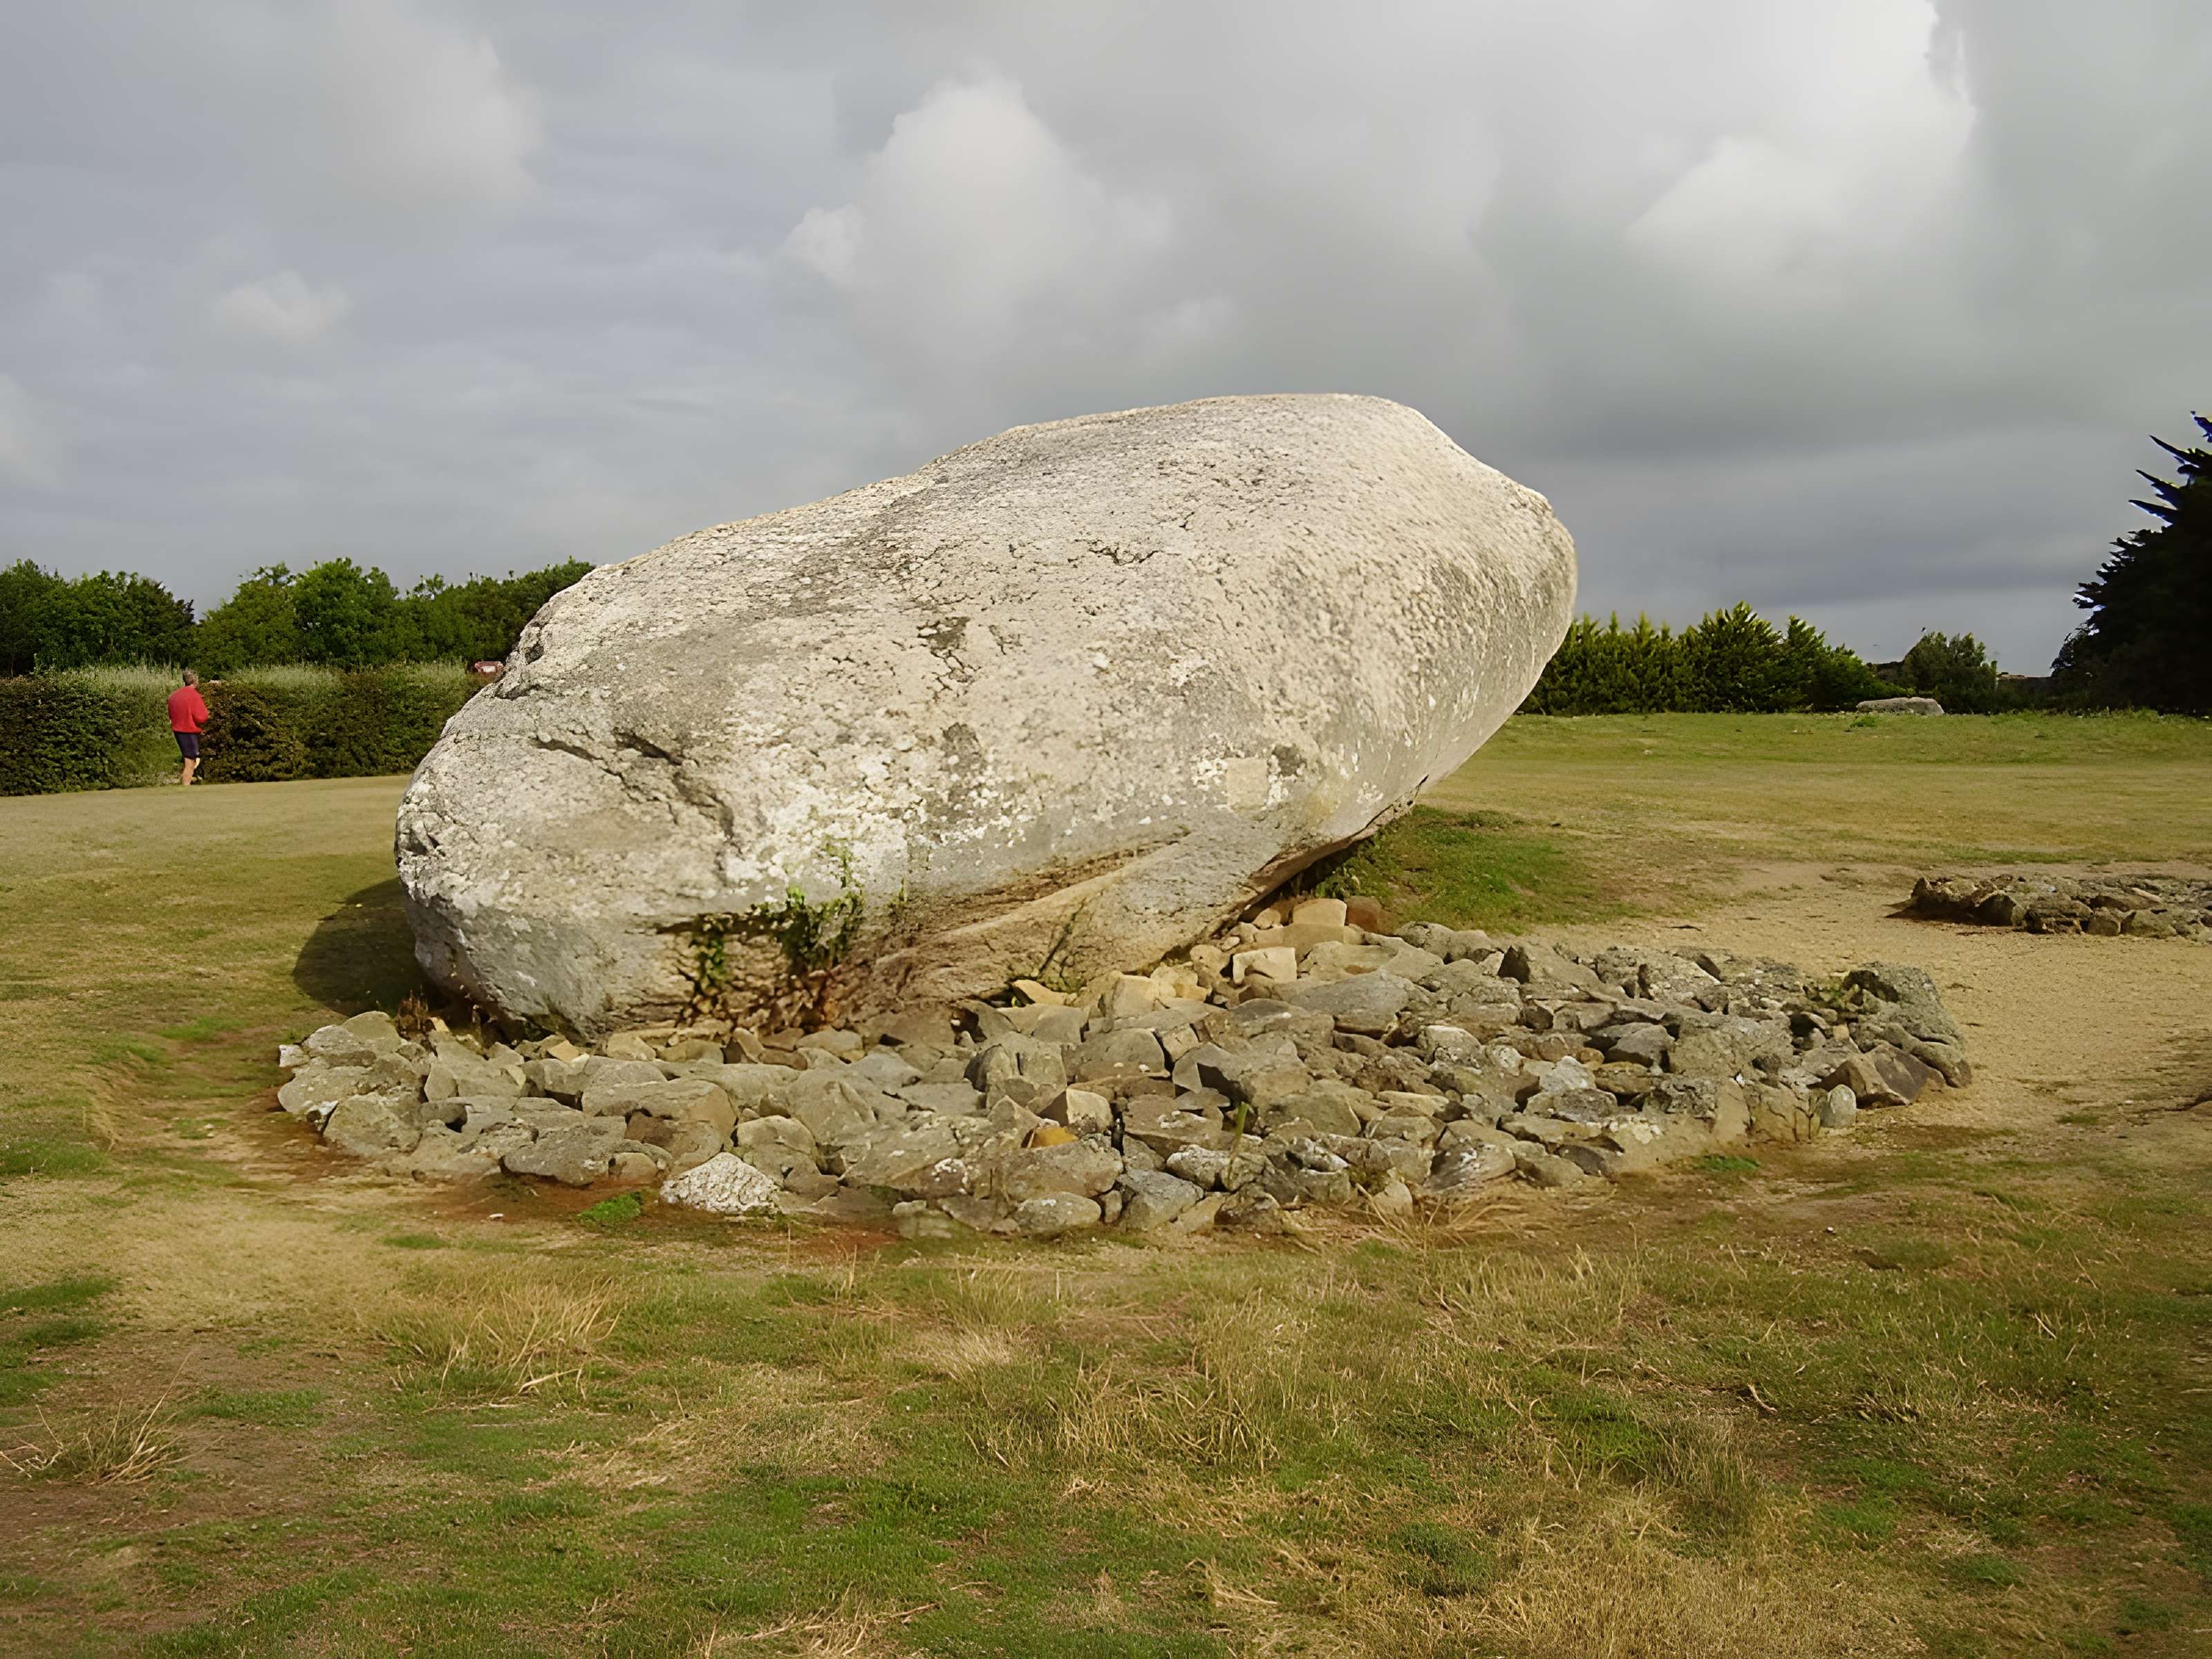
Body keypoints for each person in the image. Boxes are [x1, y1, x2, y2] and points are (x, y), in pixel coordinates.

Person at [167, 668, 210, 786]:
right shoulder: (193, 695)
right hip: (189, 731)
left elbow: (171, 715)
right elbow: (202, 717)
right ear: (196, 680)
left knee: (192, 760)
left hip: (178, 730)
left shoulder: (174, 695)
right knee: (190, 762)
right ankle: (186, 787)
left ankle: (189, 783)